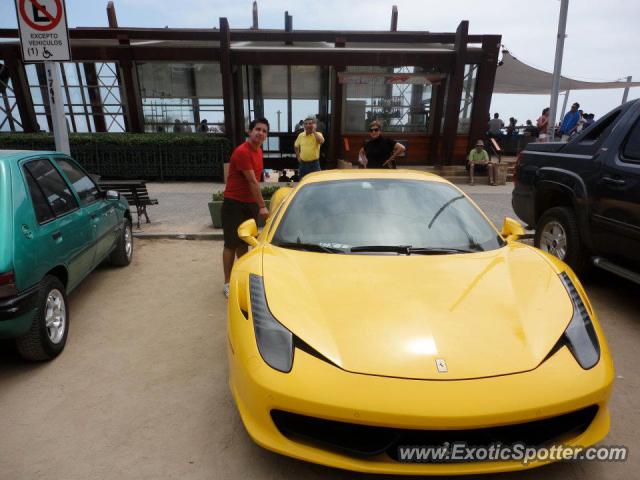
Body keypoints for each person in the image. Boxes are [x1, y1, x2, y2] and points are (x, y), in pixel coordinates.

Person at [221, 118, 270, 298]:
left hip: (249, 204)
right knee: (231, 244)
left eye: (264, 131)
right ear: (250, 132)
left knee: (244, 242)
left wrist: (256, 204)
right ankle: (227, 282)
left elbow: (256, 179)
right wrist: (263, 207)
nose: (261, 133)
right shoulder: (242, 151)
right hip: (234, 203)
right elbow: (252, 181)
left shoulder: (259, 151)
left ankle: (241, 277)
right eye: (257, 129)